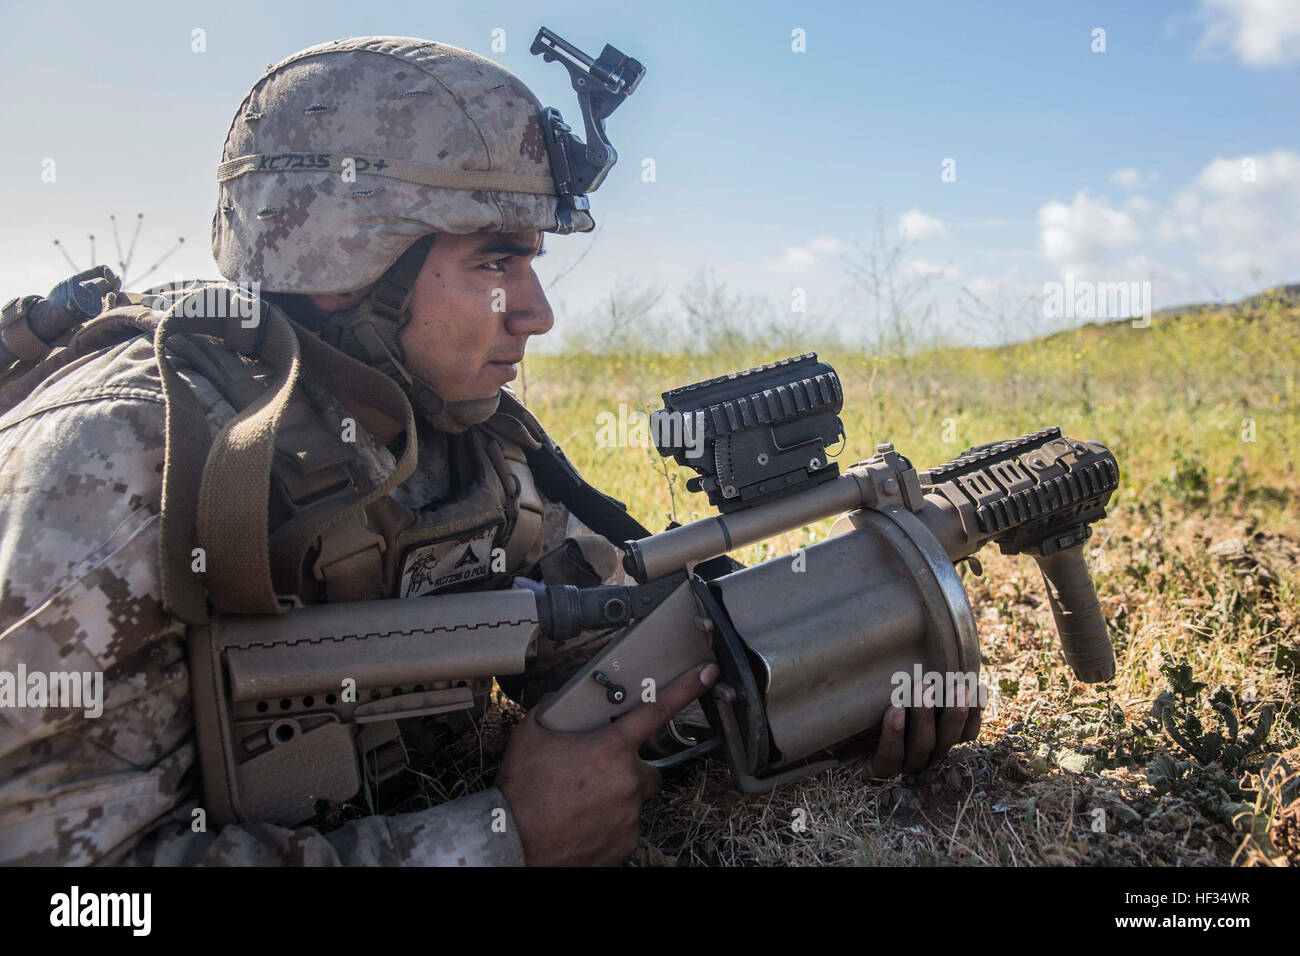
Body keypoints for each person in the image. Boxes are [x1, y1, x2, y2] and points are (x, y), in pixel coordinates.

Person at [0, 35, 976, 867]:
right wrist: (493, 838)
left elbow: (608, 651)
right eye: (494, 261)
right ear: (346, 269)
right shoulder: (121, 466)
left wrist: (823, 684)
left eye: (532, 261)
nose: (540, 313)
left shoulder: (459, 437)